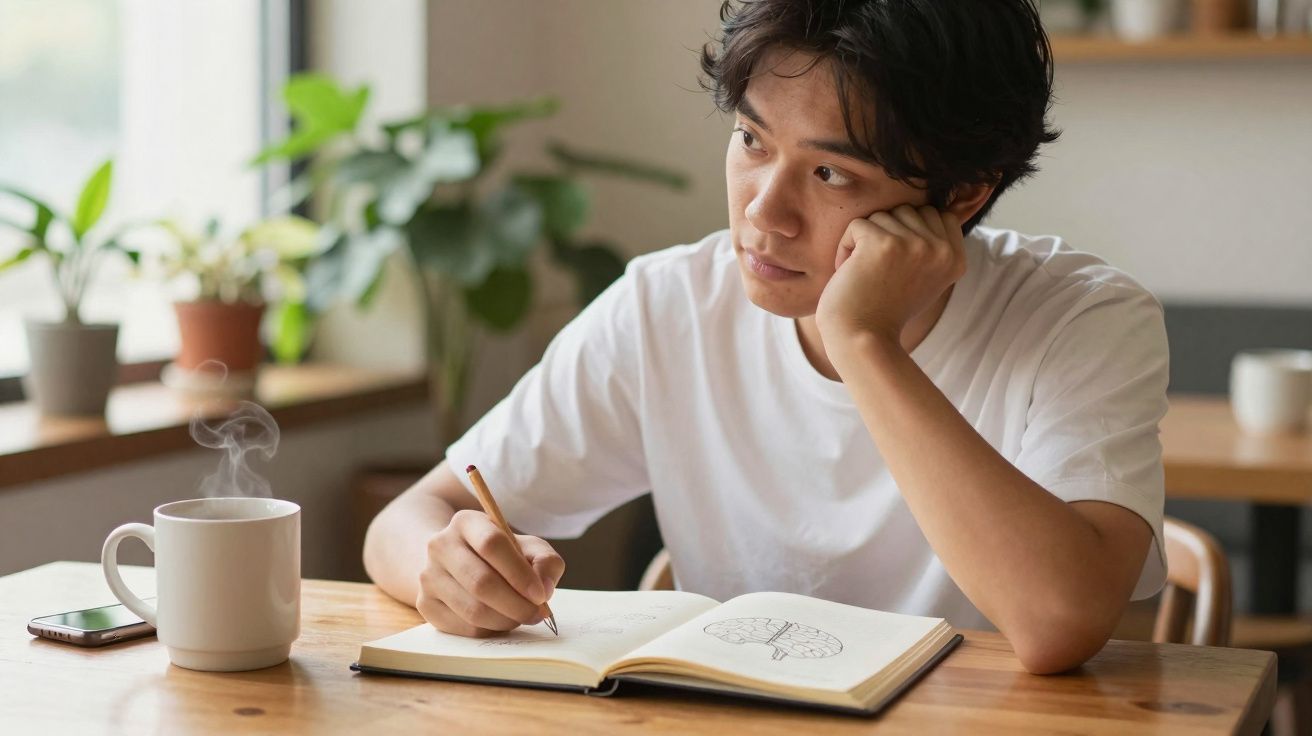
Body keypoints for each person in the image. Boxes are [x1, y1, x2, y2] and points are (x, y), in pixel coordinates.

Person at [363, 0, 1168, 675]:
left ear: (960, 194)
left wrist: (862, 341)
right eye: (752, 141)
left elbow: (1058, 623)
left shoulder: (1082, 320)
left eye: (830, 173)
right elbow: (412, 515)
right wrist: (453, 568)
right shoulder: (669, 305)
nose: (762, 212)